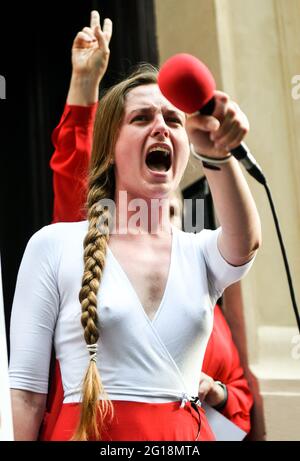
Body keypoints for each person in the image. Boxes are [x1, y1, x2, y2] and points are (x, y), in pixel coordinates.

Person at [9, 11, 261, 441]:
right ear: (108, 150)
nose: (161, 126)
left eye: (174, 120)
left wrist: (217, 149)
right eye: (142, 118)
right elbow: (27, 399)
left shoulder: (199, 251)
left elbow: (245, 243)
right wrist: (84, 85)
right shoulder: (54, 245)